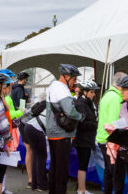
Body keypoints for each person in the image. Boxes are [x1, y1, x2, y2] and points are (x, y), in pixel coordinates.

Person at [46, 64, 84, 194]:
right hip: (61, 133)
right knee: (62, 170)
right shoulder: (62, 89)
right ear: (66, 76)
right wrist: (80, 117)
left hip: (52, 132)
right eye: (74, 78)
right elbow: (70, 111)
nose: (75, 81)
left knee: (54, 167)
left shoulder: (52, 86)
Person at [96, 72, 127, 194]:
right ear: (121, 84)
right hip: (111, 141)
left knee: (108, 172)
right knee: (117, 173)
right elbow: (117, 123)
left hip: (103, 139)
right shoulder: (116, 97)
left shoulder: (107, 94)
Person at [73, 80, 99, 194]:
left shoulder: (86, 103)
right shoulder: (81, 104)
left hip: (86, 139)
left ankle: (81, 188)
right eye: (92, 92)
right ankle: (81, 190)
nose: (94, 94)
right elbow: (82, 123)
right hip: (82, 139)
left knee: (84, 164)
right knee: (83, 164)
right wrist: (96, 124)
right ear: (85, 92)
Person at [24, 92, 48, 192]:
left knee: (36, 156)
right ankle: (42, 185)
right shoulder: (52, 106)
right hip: (36, 130)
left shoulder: (42, 105)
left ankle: (35, 183)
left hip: (29, 127)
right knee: (41, 157)